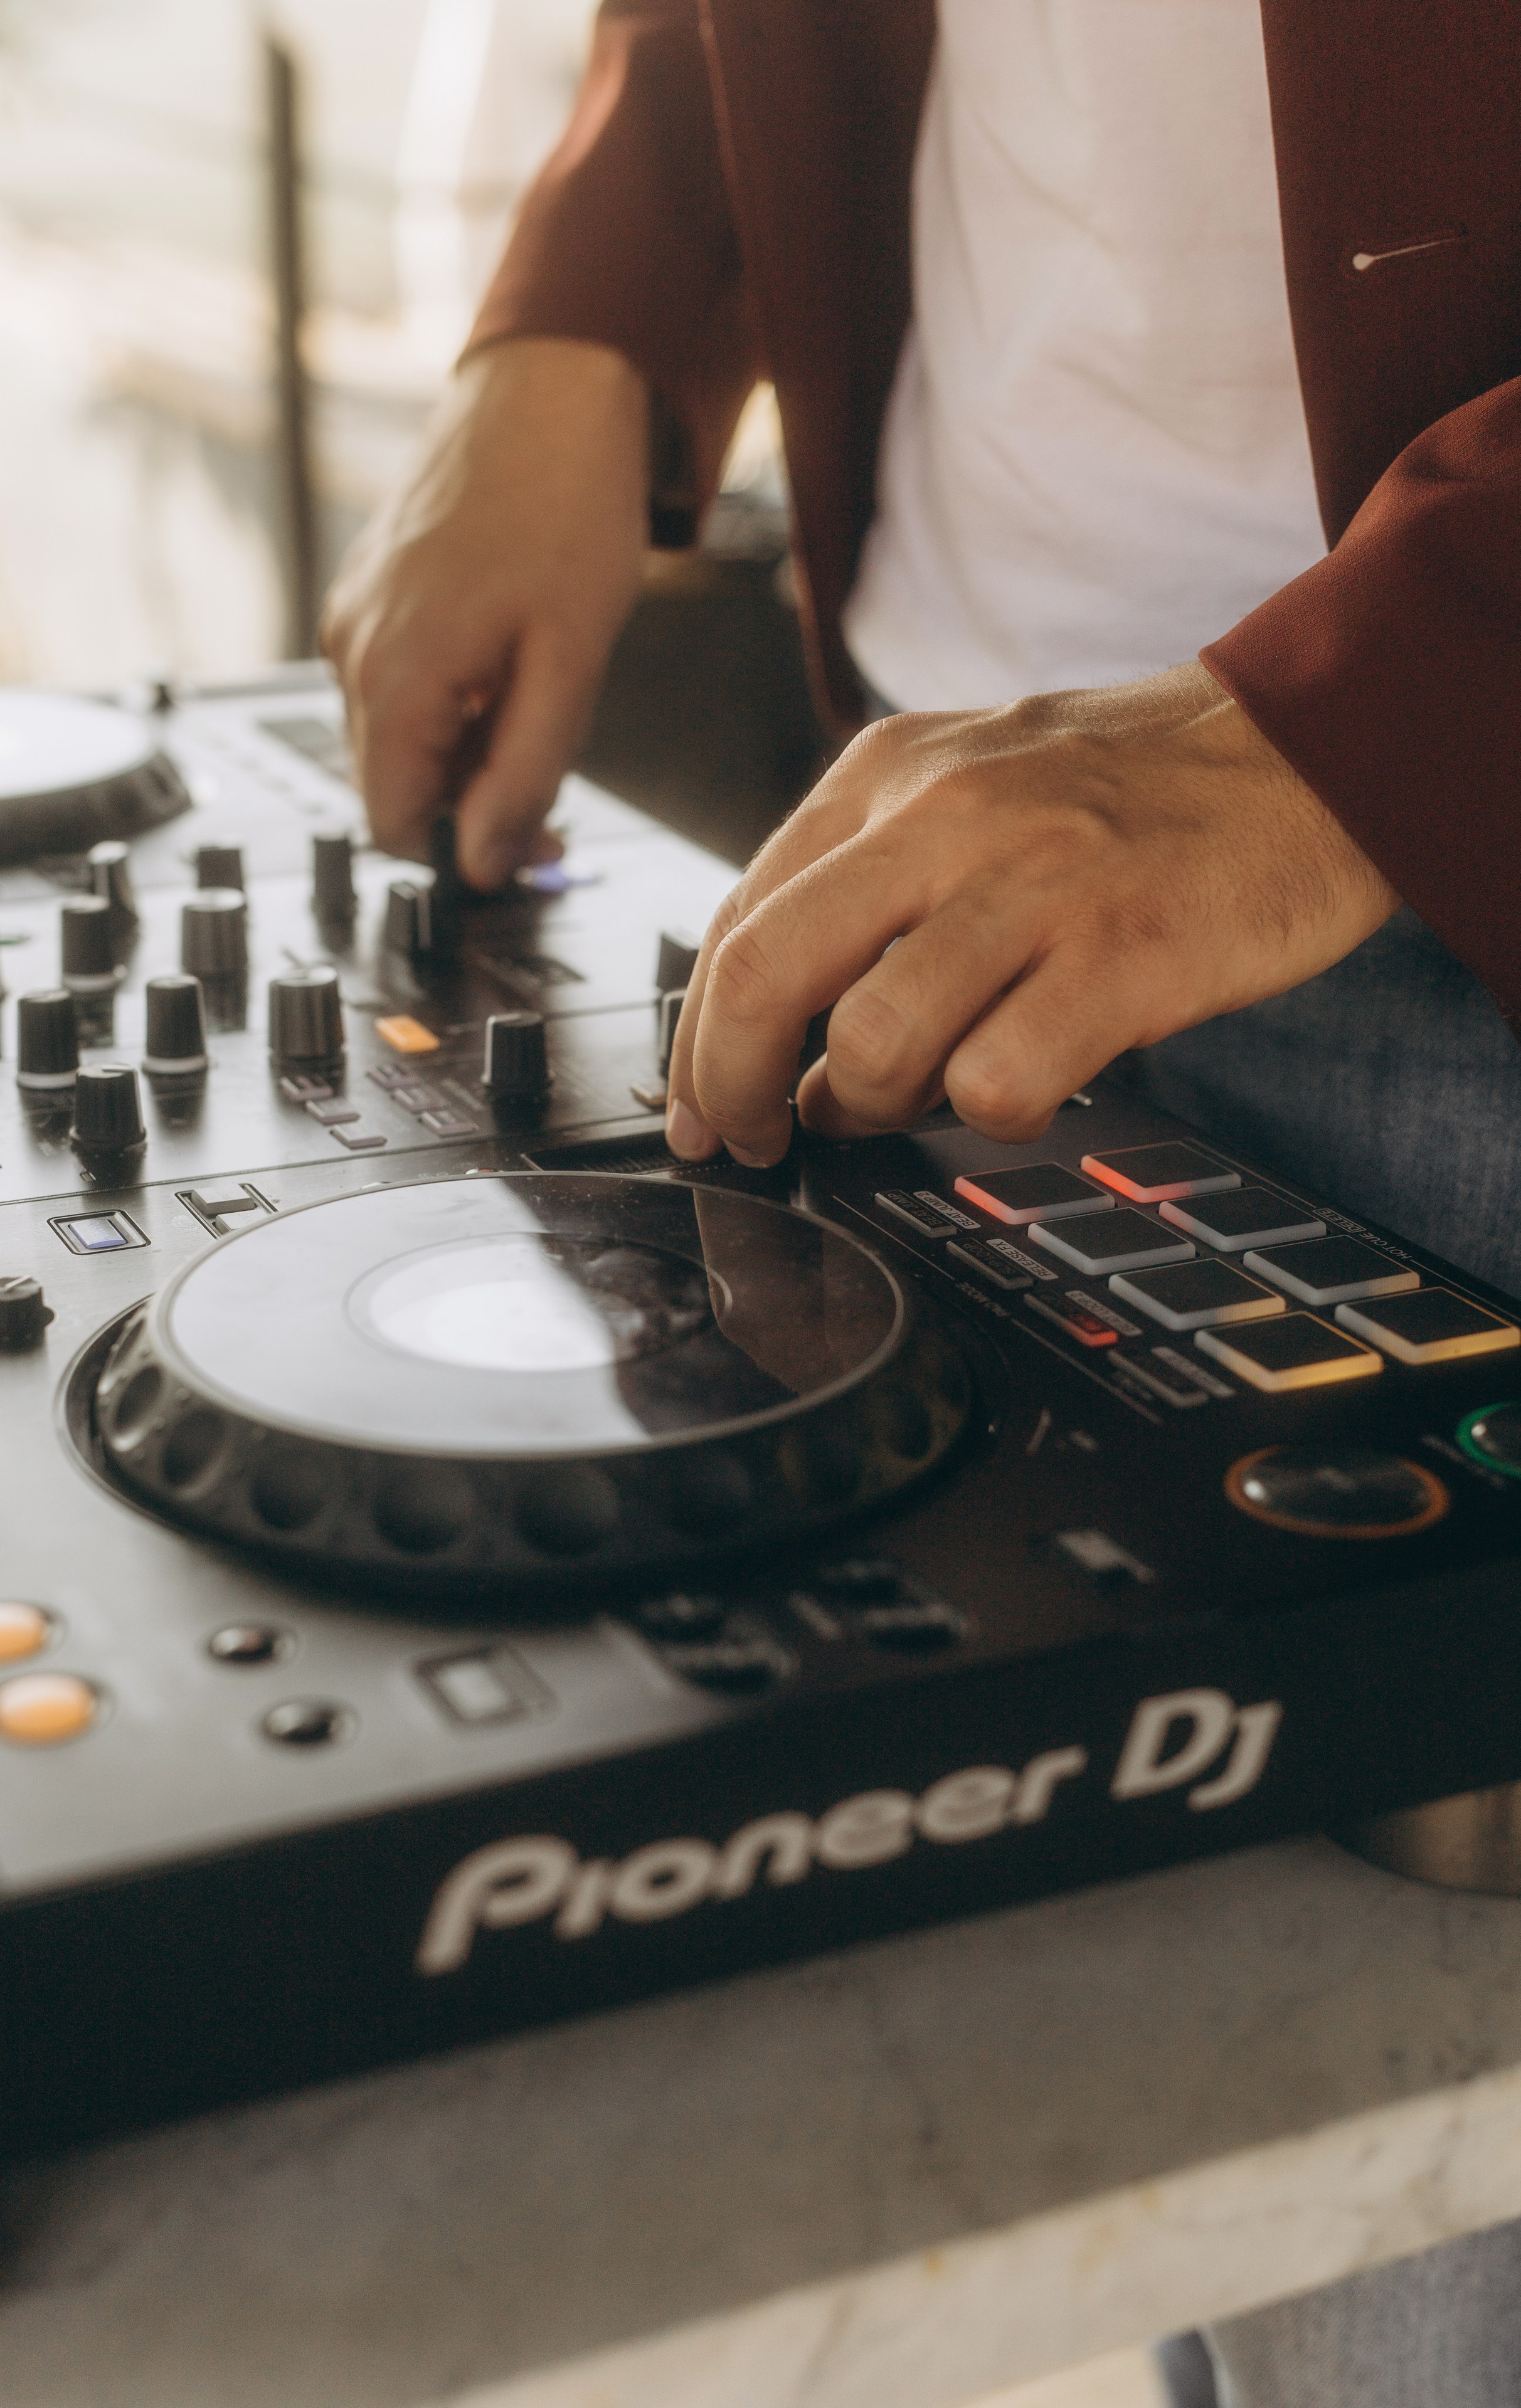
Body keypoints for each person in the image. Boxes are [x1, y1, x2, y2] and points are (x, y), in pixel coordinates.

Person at [322, 8, 1521, 2400]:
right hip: (928, 843)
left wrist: (1393, 696)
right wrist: (594, 312)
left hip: (1451, 883)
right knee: (1197, 2257)